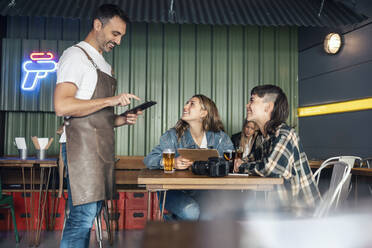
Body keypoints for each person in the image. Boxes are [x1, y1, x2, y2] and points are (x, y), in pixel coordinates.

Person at [54, 4, 142, 247]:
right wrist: (111, 100)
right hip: (79, 149)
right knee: (82, 217)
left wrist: (122, 119)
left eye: (122, 36)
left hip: (100, 150)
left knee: (89, 215)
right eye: (115, 34)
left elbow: (96, 116)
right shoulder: (76, 56)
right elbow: (62, 105)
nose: (119, 41)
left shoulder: (103, 64)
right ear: (97, 25)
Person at [144, 94, 234, 220]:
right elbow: (149, 159)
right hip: (174, 190)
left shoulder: (220, 138)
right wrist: (172, 162)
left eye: (192, 104)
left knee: (209, 216)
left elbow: (230, 162)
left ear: (203, 113)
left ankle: (175, 227)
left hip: (205, 190)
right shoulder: (173, 136)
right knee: (191, 212)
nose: (185, 107)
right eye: (187, 103)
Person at [234, 85, 321, 211]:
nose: (247, 105)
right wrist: (240, 163)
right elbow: (249, 159)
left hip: (301, 213)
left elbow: (270, 168)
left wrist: (241, 166)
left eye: (252, 100)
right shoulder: (267, 138)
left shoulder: (284, 134)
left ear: (268, 107)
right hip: (280, 210)